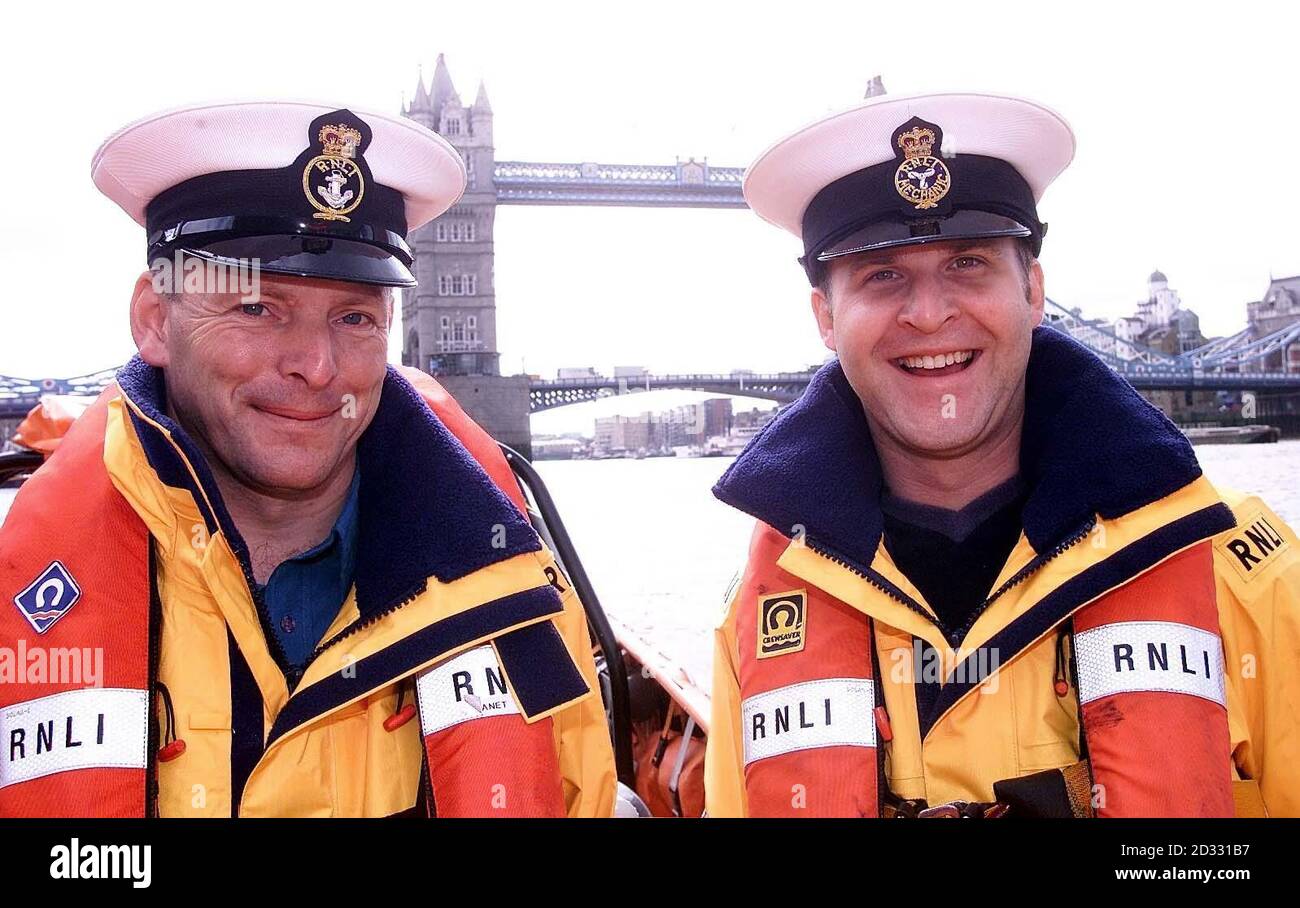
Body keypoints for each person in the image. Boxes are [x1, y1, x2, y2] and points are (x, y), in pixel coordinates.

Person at [0, 102, 615, 817]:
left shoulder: (517, 589)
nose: (317, 368)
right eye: (257, 307)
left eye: (354, 318)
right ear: (156, 320)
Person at [705, 91, 1300, 817]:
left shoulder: (1238, 569)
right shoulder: (760, 614)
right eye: (882, 274)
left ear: (1035, 291)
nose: (929, 314)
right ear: (826, 317)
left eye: (968, 263)